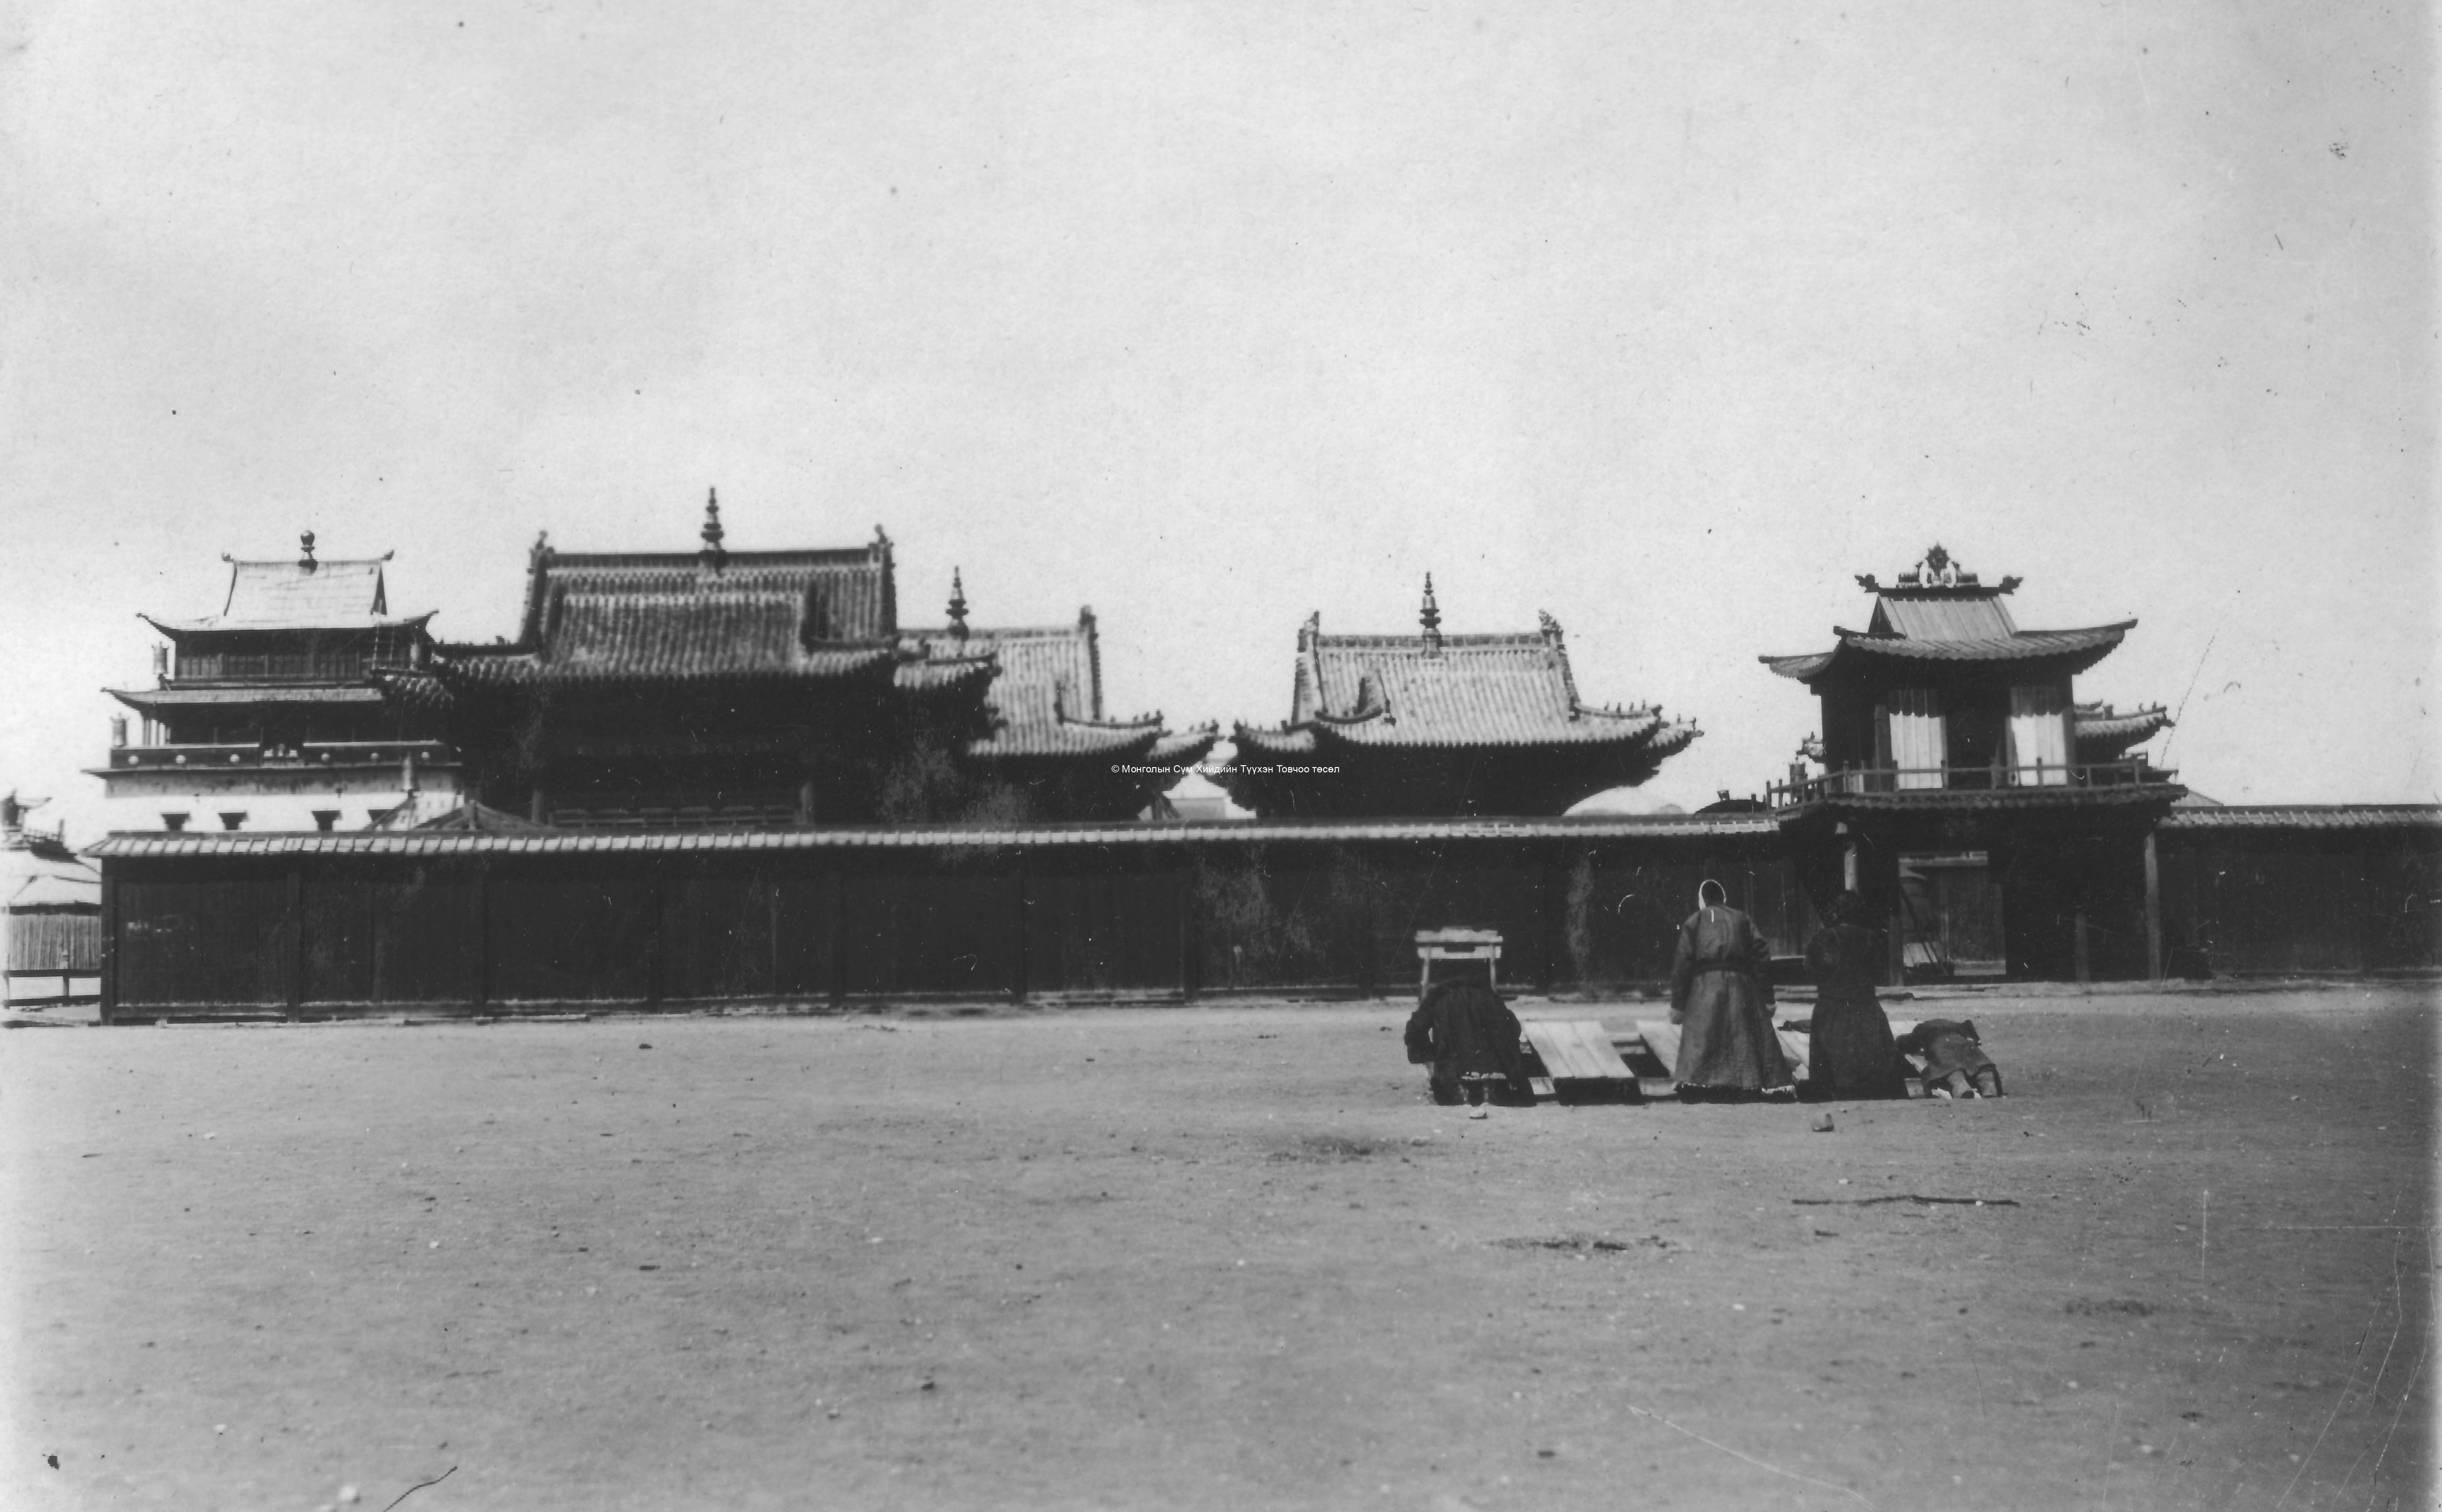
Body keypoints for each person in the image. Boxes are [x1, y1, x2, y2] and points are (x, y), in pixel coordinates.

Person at [1668, 879, 1794, 1101]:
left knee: (1704, 1033)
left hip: (1705, 985)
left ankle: (1701, 1083)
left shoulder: (1695, 920)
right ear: (1724, 899)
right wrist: (1767, 998)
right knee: (1740, 1033)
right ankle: (1745, 1082)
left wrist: (1679, 1005)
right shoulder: (1742, 919)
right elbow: (1761, 958)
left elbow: (1683, 964)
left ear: (1702, 901)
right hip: (1741, 984)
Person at [1801, 891, 1909, 1100]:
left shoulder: (1825, 937)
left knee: (1833, 1067)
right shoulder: (1871, 938)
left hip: (1832, 1008)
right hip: (1866, 1007)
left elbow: (1813, 970)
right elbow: (1879, 972)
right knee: (1874, 1059)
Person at [1404, 970, 1534, 1117]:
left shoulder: (1436, 1000)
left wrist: (1429, 1055)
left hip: (1454, 1072)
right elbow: (1513, 1027)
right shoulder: (1489, 997)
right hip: (1496, 1072)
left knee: (1450, 1069)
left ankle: (1461, 1092)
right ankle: (1488, 1090)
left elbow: (1414, 1029)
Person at [1895, 1019, 2005, 1099]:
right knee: (1981, 1069)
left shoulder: (1922, 1028)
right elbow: (1974, 1037)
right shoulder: (1956, 1026)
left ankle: (1961, 1088)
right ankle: (1989, 1087)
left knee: (1953, 1073)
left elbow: (1909, 1044)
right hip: (1966, 1046)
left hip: (1942, 1048)